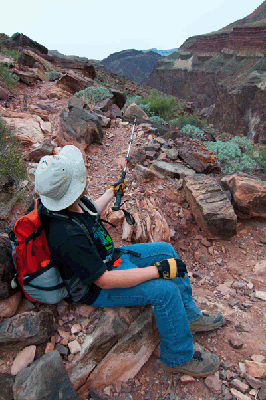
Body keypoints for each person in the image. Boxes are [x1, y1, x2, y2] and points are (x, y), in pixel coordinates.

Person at [35, 145, 223, 377]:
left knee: (165, 249)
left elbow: (90, 215)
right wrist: (157, 271)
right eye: (79, 178)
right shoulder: (65, 236)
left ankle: (189, 316)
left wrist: (111, 192)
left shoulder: (68, 205)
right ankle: (177, 357)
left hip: (109, 257)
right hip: (96, 286)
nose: (84, 179)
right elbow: (103, 281)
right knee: (165, 291)